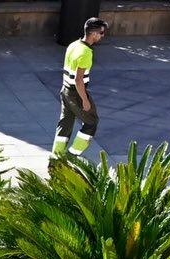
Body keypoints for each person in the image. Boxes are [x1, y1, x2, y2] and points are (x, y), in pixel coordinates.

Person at [53, 17, 105, 157]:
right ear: (94, 34)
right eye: (101, 33)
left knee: (65, 125)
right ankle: (71, 157)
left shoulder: (74, 45)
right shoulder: (86, 52)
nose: (102, 36)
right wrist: (85, 100)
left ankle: (56, 160)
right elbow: (78, 80)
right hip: (76, 93)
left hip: (65, 90)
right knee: (92, 122)